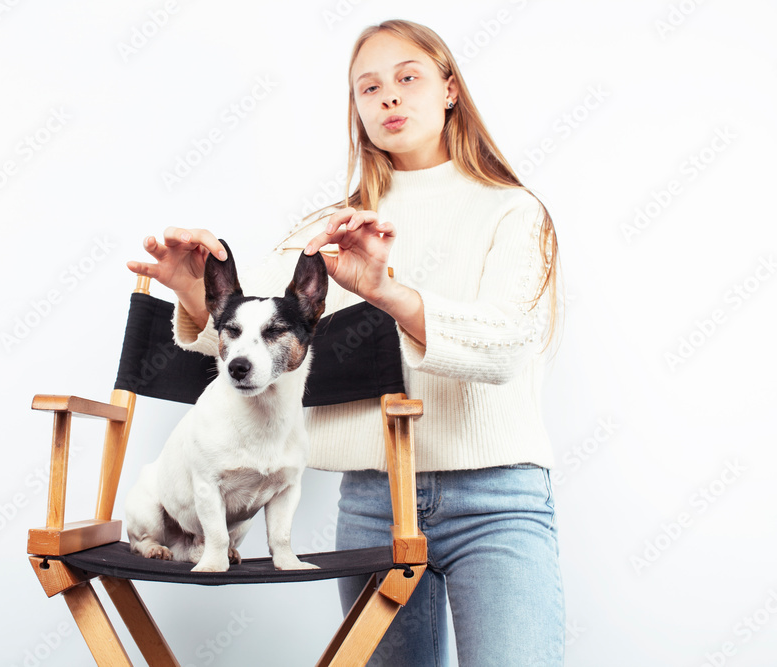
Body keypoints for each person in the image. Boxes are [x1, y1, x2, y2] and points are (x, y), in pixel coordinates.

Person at [127, 19, 564, 667]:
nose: (388, 97)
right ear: (357, 110)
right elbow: (250, 336)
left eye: (408, 78)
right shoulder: (328, 231)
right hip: (372, 501)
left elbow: (506, 346)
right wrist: (194, 291)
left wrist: (386, 291)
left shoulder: (512, 210)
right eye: (369, 87)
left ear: (450, 89)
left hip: (497, 500)